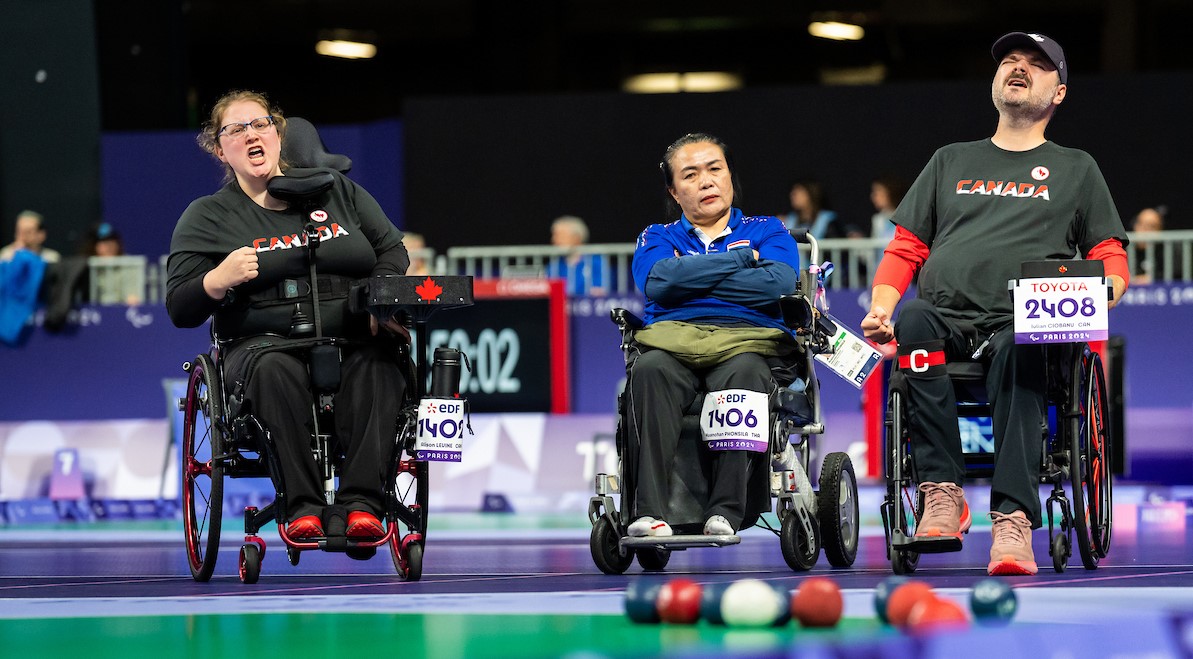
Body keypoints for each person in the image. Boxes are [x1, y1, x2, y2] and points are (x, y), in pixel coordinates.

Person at [860, 32, 1130, 576]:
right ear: (995, 80)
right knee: (914, 318)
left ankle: (1013, 518)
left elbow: (1110, 255)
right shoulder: (950, 159)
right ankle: (942, 494)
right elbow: (907, 247)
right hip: (945, 321)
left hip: (1025, 324)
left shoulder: (1076, 168)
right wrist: (881, 308)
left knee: (1021, 343)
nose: (1019, 67)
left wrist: (1099, 295)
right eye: (1010, 59)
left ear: (1059, 92)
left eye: (1036, 63)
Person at [166, 90, 410, 542]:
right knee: (274, 370)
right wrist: (217, 279)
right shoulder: (207, 216)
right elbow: (180, 306)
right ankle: (303, 506)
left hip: (353, 334)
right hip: (262, 347)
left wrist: (380, 297)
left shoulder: (337, 192)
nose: (251, 134)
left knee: (381, 363)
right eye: (236, 129)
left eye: (260, 124)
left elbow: (391, 250)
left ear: (278, 134)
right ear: (220, 149)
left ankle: (362, 505)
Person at [625, 132, 802, 538]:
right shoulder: (657, 235)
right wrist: (740, 260)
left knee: (746, 373)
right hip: (672, 341)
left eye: (714, 169)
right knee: (648, 370)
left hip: (747, 341)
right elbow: (658, 282)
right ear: (674, 191)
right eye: (690, 175)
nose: (706, 181)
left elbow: (776, 284)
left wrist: (689, 281)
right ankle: (648, 513)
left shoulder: (767, 228)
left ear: (729, 176)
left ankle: (725, 510)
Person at [545, 215, 608, 296]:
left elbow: (600, 290)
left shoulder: (596, 262)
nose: (554, 240)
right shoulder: (553, 266)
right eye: (554, 235)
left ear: (576, 238)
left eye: (560, 235)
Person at [82, 222, 142, 305]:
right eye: (103, 242)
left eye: (112, 241)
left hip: (119, 311)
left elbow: (133, 298)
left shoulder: (128, 264)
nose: (109, 246)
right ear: (93, 246)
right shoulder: (85, 267)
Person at [781, 180, 856, 240]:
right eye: (793, 192)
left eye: (799, 192)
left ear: (811, 194)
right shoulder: (790, 220)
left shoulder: (828, 220)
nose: (792, 195)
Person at [1130, 207, 1174, 285]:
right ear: (1135, 226)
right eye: (1141, 224)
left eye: (1151, 226)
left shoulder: (1167, 252)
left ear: (1160, 230)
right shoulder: (1124, 249)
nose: (1145, 230)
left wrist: (1152, 278)